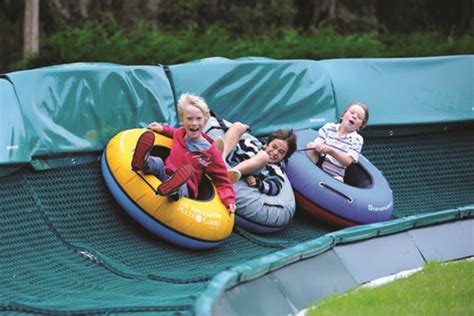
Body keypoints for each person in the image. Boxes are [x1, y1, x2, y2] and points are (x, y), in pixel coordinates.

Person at [131, 93, 236, 213]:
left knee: (182, 182)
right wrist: (162, 128)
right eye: (189, 118)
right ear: (182, 119)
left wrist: (229, 200)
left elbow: (222, 178)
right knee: (158, 162)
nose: (194, 123)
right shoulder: (180, 133)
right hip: (165, 173)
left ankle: (173, 189)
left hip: (186, 188)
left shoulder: (210, 152)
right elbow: (172, 131)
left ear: (206, 120)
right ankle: (142, 160)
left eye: (198, 118)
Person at [215, 123, 297, 196]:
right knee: (238, 126)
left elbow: (276, 187)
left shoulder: (276, 169)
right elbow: (236, 145)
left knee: (264, 156)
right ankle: (220, 158)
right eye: (274, 147)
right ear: (267, 144)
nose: (275, 152)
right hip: (228, 160)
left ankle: (230, 174)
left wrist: (258, 183)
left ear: (285, 156)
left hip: (239, 171)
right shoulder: (252, 145)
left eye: (281, 152)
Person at [306, 102, 369, 182]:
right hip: (318, 166)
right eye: (352, 113)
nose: (354, 117)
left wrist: (331, 151)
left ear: (360, 126)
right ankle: (309, 174)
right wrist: (319, 147)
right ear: (342, 115)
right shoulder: (329, 128)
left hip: (335, 175)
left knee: (339, 180)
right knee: (311, 146)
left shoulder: (357, 139)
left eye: (359, 117)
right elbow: (317, 143)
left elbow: (347, 161)